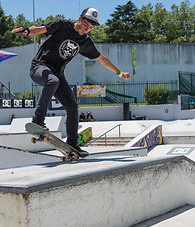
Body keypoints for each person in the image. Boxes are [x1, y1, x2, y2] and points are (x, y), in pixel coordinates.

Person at [12, 7, 130, 155]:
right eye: (86, 25)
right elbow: (41, 29)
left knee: (73, 107)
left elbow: (101, 59)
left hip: (58, 75)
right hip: (39, 68)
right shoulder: (63, 25)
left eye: (91, 28)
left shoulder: (85, 41)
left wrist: (119, 73)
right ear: (79, 19)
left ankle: (73, 144)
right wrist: (28, 31)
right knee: (52, 81)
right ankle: (38, 120)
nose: (86, 30)